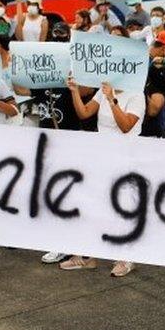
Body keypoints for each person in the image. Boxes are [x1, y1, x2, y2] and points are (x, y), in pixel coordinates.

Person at [60, 74, 144, 277]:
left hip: (125, 158)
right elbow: (84, 113)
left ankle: (125, 258)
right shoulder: (104, 89)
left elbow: (126, 126)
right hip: (101, 156)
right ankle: (89, 256)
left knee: (122, 207)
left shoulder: (136, 95)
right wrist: (74, 92)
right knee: (95, 204)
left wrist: (112, 100)